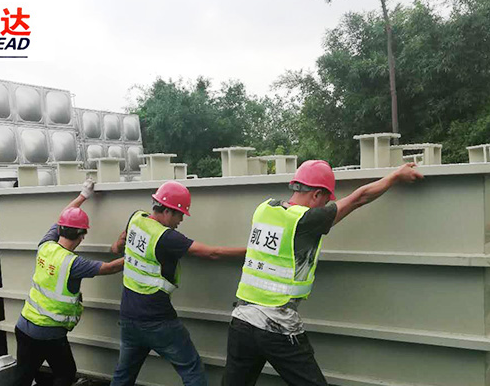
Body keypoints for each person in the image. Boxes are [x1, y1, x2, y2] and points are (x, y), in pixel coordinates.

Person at [223, 160, 423, 386]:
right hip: (276, 325)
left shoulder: (263, 209)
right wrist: (395, 176)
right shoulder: (307, 220)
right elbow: (359, 198)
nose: (327, 205)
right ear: (317, 194)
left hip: (241, 321)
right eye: (326, 200)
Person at [110, 181, 247, 386]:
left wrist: (120, 247)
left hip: (129, 318)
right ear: (167, 211)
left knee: (123, 375)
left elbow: (118, 245)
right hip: (158, 321)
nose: (181, 219)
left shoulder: (136, 218)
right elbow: (212, 253)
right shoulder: (166, 237)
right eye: (179, 214)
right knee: (191, 368)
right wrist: (253, 251)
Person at [15, 179, 126, 386]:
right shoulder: (74, 264)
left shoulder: (46, 245)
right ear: (81, 236)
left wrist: (83, 195)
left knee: (23, 375)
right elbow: (109, 268)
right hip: (49, 332)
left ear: (61, 229)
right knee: (66, 373)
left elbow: (63, 216)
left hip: (24, 325)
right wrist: (138, 256)